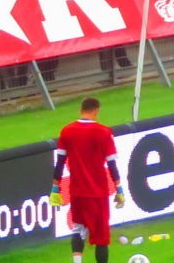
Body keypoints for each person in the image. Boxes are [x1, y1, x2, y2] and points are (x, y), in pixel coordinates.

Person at [52, 97, 124, 263]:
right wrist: (119, 189)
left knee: (77, 229)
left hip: (77, 191)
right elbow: (112, 164)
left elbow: (60, 162)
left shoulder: (67, 131)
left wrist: (55, 188)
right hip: (98, 192)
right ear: (96, 111)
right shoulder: (104, 132)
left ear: (81, 110)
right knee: (101, 237)